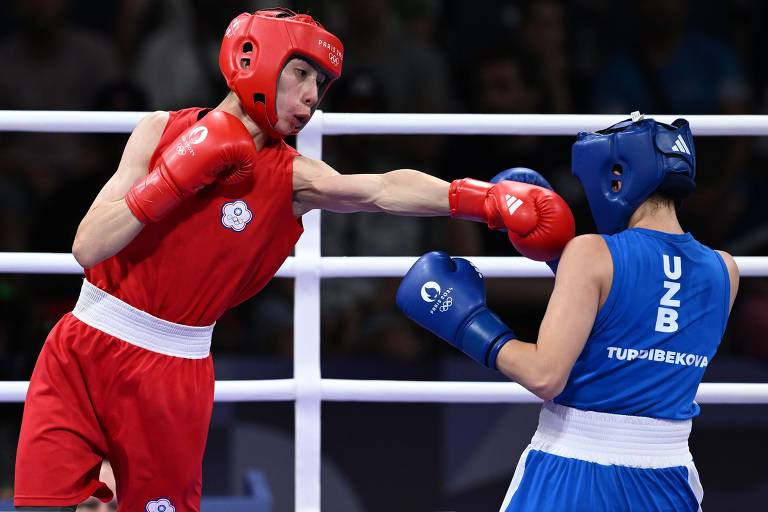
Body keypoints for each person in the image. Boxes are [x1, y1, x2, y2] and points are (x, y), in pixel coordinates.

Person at [13, 7, 575, 512]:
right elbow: (88, 246)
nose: (312, 96)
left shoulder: (293, 177)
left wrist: (479, 200)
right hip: (82, 346)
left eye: (322, 84)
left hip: (169, 370)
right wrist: (173, 178)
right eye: (301, 73)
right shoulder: (159, 130)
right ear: (256, 59)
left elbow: (379, 189)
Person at [397, 113, 740, 511]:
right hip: (669, 475)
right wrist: (561, 260)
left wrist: (466, 322)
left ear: (617, 175)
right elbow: (640, 322)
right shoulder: (725, 271)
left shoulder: (592, 253)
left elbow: (545, 375)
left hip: (574, 467)